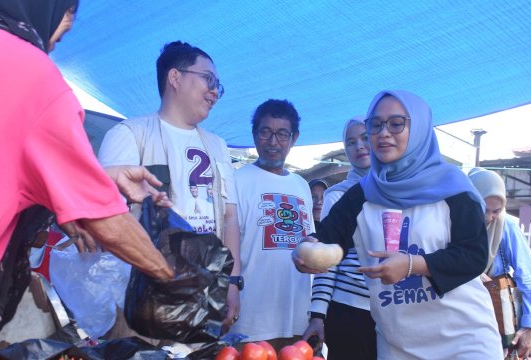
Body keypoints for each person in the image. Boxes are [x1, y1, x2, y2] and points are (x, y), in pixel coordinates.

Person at [0, 1, 174, 358]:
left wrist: (99, 178)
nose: (49, 47)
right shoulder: (29, 73)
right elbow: (107, 222)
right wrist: (170, 277)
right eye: (60, 37)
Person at [293, 90, 502, 358]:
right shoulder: (362, 194)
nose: (384, 133)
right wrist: (308, 249)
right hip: (398, 345)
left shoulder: (453, 188)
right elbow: (327, 236)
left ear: (418, 128)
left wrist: (413, 265)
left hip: (464, 341)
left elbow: (474, 255)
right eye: (376, 125)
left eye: (396, 123)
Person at [98, 41, 241, 328]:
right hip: (142, 297)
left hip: (204, 292)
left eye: (218, 85)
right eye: (208, 79)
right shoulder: (129, 134)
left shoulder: (218, 146)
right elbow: (103, 215)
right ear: (175, 78)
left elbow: (229, 217)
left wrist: (233, 281)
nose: (215, 91)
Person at [230, 99, 314, 349]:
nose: (273, 142)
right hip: (250, 321)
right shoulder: (236, 181)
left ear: (294, 137)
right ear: (255, 135)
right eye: (265, 132)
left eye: (282, 134)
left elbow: (310, 246)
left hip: (298, 320)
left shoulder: (302, 185)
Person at [303, 116, 376, 360]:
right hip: (348, 309)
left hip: (391, 310)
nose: (359, 147)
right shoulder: (337, 196)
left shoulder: (397, 192)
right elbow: (327, 261)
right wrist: (318, 314)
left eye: (365, 138)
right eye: (351, 142)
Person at [469, 167, 531, 358]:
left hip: (494, 322)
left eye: (496, 211)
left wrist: (530, 326)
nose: (489, 217)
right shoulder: (451, 222)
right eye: (483, 209)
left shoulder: (506, 226)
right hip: (458, 320)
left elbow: (528, 275)